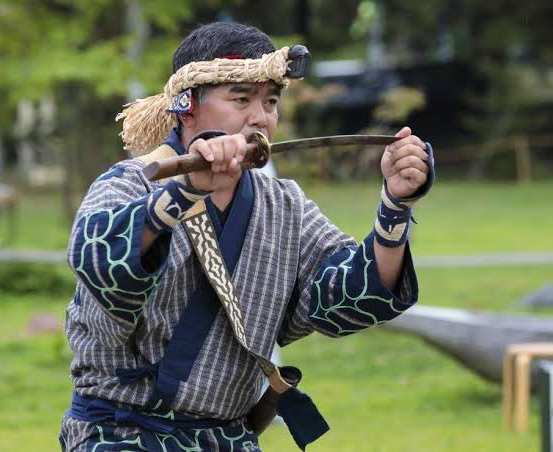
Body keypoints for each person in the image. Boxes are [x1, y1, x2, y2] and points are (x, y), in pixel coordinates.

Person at [59, 22, 434, 452]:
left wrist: (395, 205)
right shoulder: (130, 183)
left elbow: (354, 296)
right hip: (120, 436)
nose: (260, 117)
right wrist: (186, 189)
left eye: (270, 101)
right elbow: (97, 261)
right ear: (187, 108)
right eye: (240, 99)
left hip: (230, 439)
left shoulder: (285, 204)